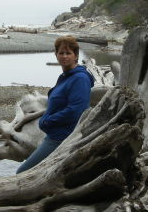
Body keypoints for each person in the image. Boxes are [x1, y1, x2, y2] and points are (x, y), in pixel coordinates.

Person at [16, 36, 94, 174]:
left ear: (76, 56)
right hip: (55, 134)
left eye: (68, 53)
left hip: (63, 137)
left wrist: (47, 120)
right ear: (56, 55)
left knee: (23, 173)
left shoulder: (79, 79)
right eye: (61, 53)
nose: (64, 56)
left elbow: (76, 111)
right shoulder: (66, 76)